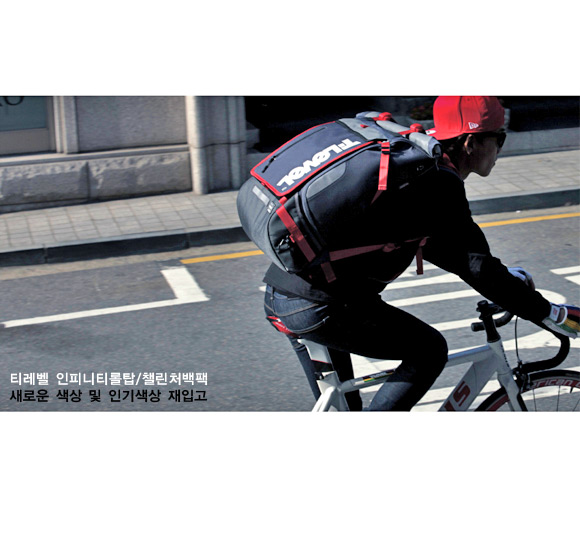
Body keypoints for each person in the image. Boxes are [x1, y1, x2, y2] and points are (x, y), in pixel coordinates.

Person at [262, 96, 579, 411]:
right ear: (470, 142)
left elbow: (453, 252)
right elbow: (475, 266)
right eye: (499, 138)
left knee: (346, 411)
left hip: (287, 293)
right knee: (428, 351)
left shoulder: (414, 165)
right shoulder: (436, 182)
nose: (500, 149)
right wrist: (552, 314)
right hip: (321, 306)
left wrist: (506, 280)